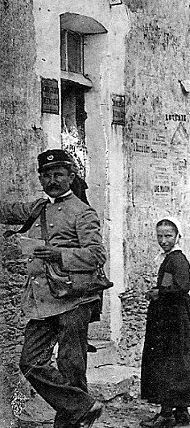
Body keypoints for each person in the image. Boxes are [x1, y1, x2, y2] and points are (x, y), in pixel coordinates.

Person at [0, 149, 105, 428]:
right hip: (43, 301)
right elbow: (8, 211)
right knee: (31, 362)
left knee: (71, 366)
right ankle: (83, 406)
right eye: (46, 175)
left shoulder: (83, 213)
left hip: (74, 299)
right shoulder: (38, 208)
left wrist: (59, 254)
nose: (52, 180)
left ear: (71, 176)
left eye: (58, 174)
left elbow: (96, 254)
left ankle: (70, 423)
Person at [139, 217, 190, 428]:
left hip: (175, 318)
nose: (163, 240)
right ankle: (181, 412)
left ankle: (166, 414)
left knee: (168, 362)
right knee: (176, 363)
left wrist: (159, 293)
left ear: (177, 236)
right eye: (160, 236)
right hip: (169, 315)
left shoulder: (177, 259)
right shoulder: (168, 258)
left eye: (168, 236)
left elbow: (183, 286)